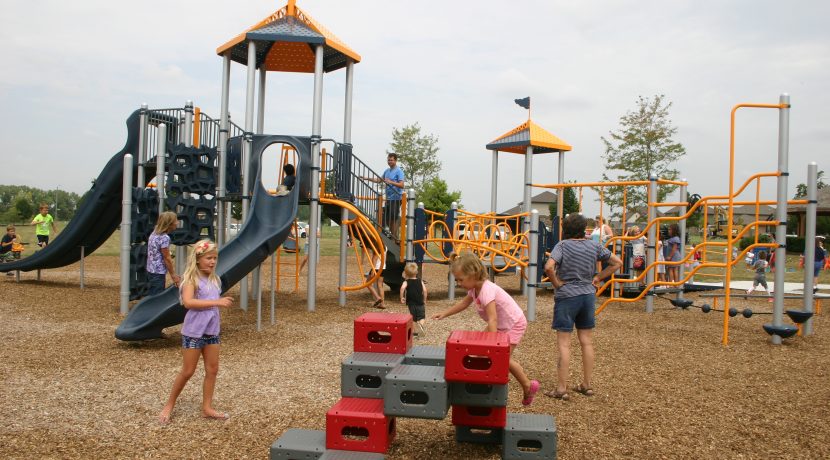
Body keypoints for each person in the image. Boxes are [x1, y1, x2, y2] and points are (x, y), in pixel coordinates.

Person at [432, 252, 540, 406]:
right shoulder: (475, 288)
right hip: (500, 324)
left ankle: (528, 386)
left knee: (501, 358)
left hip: (513, 324)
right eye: (457, 279)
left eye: (460, 279)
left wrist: (493, 343)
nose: (458, 283)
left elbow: (493, 318)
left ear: (473, 274)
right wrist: (444, 314)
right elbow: (463, 304)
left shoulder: (487, 290)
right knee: (480, 352)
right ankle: (480, 385)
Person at [543, 213, 622, 400]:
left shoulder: (562, 245)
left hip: (567, 296)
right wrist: (598, 277)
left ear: (565, 229)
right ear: (582, 230)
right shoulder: (594, 245)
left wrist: (556, 283)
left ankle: (562, 388)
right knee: (586, 340)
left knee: (564, 343)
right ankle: (586, 385)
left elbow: (548, 267)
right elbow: (617, 263)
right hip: (587, 295)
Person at [158, 239, 234, 425]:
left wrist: (218, 302)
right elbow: (188, 302)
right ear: (198, 259)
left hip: (211, 331)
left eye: (215, 258)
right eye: (209, 258)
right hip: (194, 332)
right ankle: (169, 404)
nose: (212, 262)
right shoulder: (191, 280)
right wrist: (217, 302)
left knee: (213, 369)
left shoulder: (214, 279)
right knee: (188, 371)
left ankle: (207, 408)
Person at [366, 153, 404, 239]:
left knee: (392, 218)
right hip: (388, 199)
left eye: (391, 160)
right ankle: (390, 234)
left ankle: (395, 237)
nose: (389, 161)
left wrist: (391, 182)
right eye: (388, 160)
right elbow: (379, 180)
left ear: (395, 160)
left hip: (396, 198)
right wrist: (367, 178)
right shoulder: (387, 171)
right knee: (384, 215)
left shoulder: (399, 171)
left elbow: (402, 185)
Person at [147, 211, 181, 295]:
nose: (178, 222)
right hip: (158, 272)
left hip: (151, 269)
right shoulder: (164, 237)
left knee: (152, 294)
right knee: (157, 297)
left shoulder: (155, 232)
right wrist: (173, 275)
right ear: (170, 223)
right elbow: (167, 258)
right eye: (176, 220)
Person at [400, 262, 427, 337]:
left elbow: (402, 288)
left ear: (406, 273)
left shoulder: (406, 282)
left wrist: (402, 297)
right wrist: (424, 300)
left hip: (411, 303)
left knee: (413, 318)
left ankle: (415, 331)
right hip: (420, 302)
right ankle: (420, 325)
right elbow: (425, 291)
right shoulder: (420, 281)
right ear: (417, 272)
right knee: (422, 317)